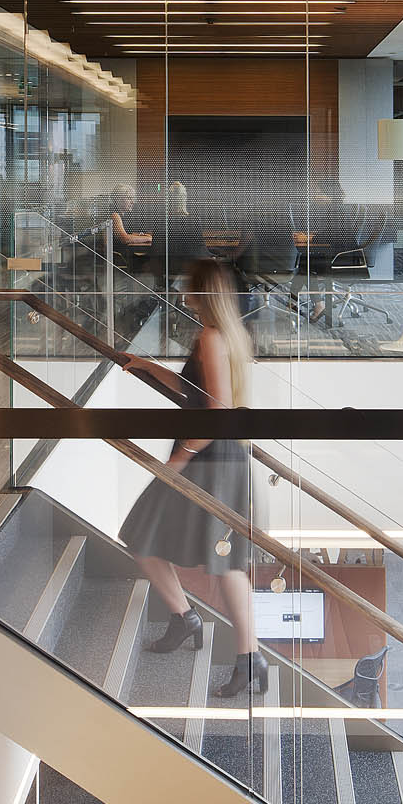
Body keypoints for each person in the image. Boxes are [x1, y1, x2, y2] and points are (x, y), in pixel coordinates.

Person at [119, 257, 266, 697]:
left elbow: (216, 414)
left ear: (204, 294)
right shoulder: (229, 336)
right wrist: (148, 366)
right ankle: (198, 627)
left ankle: (234, 649)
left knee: (153, 539)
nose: (182, 293)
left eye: (188, 287)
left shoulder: (211, 337)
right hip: (221, 458)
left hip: (207, 459)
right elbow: (195, 392)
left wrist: (179, 458)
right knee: (215, 559)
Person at [108, 184, 151, 249]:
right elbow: (125, 239)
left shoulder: (122, 214)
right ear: (118, 199)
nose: (132, 202)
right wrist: (149, 239)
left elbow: (128, 235)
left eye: (132, 198)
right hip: (119, 256)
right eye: (129, 198)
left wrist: (144, 236)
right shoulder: (115, 216)